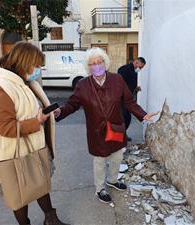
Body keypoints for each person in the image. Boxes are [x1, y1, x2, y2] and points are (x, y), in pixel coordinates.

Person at [54, 48, 158, 204]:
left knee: (117, 157)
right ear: (88, 67)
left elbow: (129, 101)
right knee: (99, 161)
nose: (96, 66)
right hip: (96, 130)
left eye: (99, 62)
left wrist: (143, 114)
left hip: (116, 127)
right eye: (92, 63)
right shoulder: (83, 85)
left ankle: (113, 180)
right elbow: (72, 104)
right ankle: (99, 188)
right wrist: (59, 112)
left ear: (105, 62)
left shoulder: (117, 79)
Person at [0, 42, 69, 225]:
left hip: (35, 147)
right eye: (37, 65)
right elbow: (6, 128)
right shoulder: (2, 88)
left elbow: (31, 109)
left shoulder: (27, 82)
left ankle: (51, 219)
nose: (38, 69)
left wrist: (49, 114)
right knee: (19, 195)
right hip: (14, 153)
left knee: (41, 186)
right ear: (24, 62)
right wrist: (37, 121)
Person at [117, 57, 146, 140]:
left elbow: (130, 83)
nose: (140, 69)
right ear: (136, 62)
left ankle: (122, 134)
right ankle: (120, 136)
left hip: (128, 98)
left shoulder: (134, 71)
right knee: (124, 117)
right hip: (122, 98)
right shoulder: (124, 70)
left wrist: (135, 89)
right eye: (140, 67)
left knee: (127, 118)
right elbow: (120, 84)